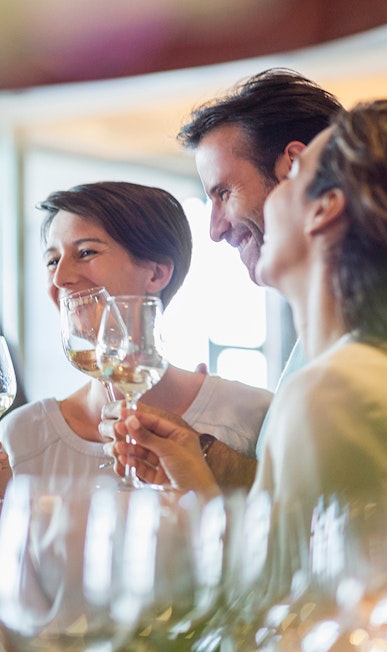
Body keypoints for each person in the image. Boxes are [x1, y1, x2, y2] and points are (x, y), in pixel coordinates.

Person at [0, 181, 273, 651]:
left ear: (158, 272)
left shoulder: (250, 416)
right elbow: (13, 642)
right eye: (52, 259)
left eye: (85, 252)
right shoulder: (21, 435)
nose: (61, 278)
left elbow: (271, 596)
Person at [110, 98, 387, 566]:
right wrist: (190, 465)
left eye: (296, 175)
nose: (215, 231)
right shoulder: (332, 370)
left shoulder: (333, 388)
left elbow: (288, 600)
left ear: (324, 209)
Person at [103, 68, 343, 485]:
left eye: (223, 193)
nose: (214, 230)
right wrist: (196, 454)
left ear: (295, 166)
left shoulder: (365, 328)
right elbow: (302, 497)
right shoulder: (320, 328)